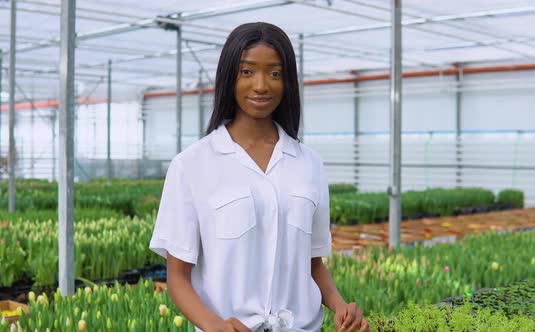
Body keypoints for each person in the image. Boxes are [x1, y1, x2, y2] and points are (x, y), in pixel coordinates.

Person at [149, 22, 370, 332]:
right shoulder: (191, 165)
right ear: (229, 77)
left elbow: (312, 264)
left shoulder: (309, 165)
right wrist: (214, 325)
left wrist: (340, 306)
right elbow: (177, 276)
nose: (262, 85)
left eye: (275, 73)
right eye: (247, 72)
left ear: (288, 82)